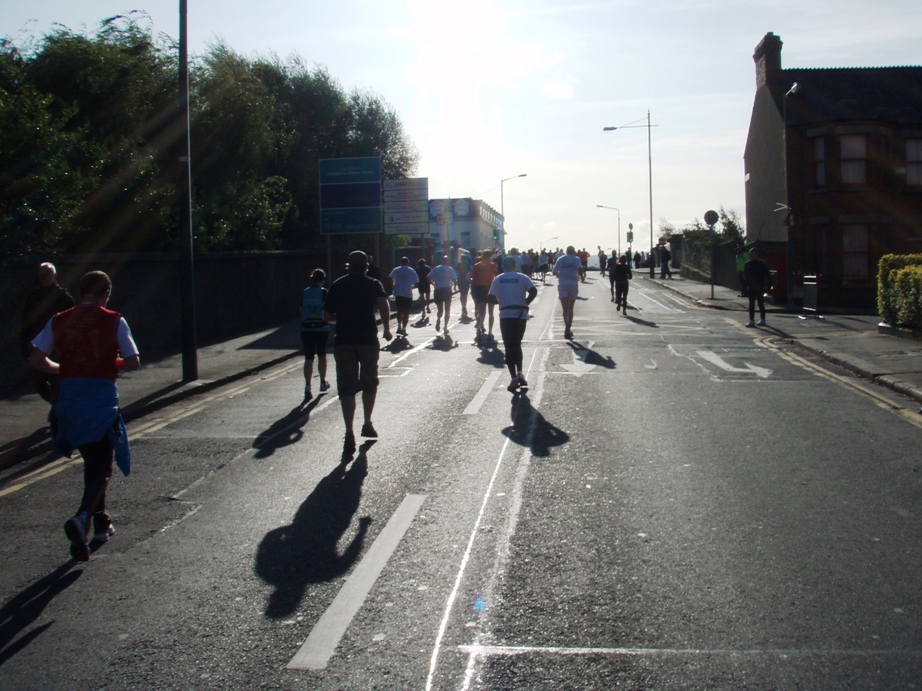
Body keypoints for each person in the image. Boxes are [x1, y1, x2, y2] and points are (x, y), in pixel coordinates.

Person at [28, 270, 140, 562]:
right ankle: (80, 519)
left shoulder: (59, 318)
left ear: (80, 293)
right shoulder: (114, 319)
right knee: (102, 467)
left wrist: (60, 368)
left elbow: (36, 359)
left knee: (93, 461)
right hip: (99, 402)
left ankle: (99, 522)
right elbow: (132, 361)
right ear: (106, 294)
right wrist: (106, 361)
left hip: (69, 402)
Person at [323, 251, 393, 456]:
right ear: (366, 266)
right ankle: (367, 423)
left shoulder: (337, 284)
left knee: (347, 387)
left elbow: (327, 315)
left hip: (343, 341)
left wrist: (342, 318)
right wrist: (387, 328)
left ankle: (349, 432)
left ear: (349, 265)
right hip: (368, 340)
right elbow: (383, 303)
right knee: (370, 382)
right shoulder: (373, 284)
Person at [20, 262, 75, 405]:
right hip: (38, 347)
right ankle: (57, 405)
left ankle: (58, 413)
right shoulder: (33, 297)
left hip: (58, 347)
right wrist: (24, 344)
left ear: (55, 276)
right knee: (38, 381)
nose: (44, 277)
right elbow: (26, 322)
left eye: (48, 274)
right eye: (42, 274)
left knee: (58, 381)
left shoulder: (64, 297)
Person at [489, 256, 538, 393]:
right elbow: (533, 291)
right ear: (515, 266)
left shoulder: (498, 279)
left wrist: (499, 301)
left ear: (503, 267)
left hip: (506, 314)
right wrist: (526, 302)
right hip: (520, 314)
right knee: (517, 344)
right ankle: (521, 372)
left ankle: (513, 378)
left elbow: (491, 296)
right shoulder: (523, 277)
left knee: (508, 346)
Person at [300, 268, 330, 400]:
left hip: (306, 327)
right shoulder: (324, 292)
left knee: (308, 357)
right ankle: (323, 382)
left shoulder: (305, 292)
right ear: (323, 280)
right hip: (321, 327)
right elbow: (328, 309)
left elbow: (301, 309)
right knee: (322, 354)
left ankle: (307, 385)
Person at [553, 245, 582, 340]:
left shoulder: (561, 259)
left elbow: (554, 271)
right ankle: (568, 328)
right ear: (574, 252)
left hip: (563, 284)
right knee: (571, 308)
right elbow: (580, 269)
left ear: (566, 251)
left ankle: (566, 325)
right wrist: (581, 276)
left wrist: (559, 274)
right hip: (573, 283)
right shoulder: (576, 259)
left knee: (565, 308)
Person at [471, 249, 499, 344]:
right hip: (490, 288)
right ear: (490, 256)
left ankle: (479, 327)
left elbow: (473, 278)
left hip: (480, 288)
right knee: (491, 312)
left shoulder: (476, 266)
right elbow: (496, 275)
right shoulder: (493, 265)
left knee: (481, 311)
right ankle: (490, 333)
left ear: (482, 255)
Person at [388, 256, 418, 336]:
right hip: (408, 293)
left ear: (400, 262)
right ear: (408, 262)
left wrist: (393, 285)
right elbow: (416, 282)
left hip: (398, 293)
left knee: (399, 310)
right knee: (407, 312)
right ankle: (404, 328)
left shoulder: (396, 269)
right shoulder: (411, 270)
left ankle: (399, 326)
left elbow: (390, 277)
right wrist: (411, 287)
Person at [744, 249, 773, 327]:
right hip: (751, 287)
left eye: (754, 253)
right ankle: (751, 320)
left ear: (757, 254)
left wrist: (769, 285)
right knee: (751, 304)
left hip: (760, 286)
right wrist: (745, 286)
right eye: (751, 253)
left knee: (760, 303)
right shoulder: (747, 264)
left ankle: (762, 319)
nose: (753, 255)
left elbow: (767, 274)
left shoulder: (761, 263)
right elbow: (746, 277)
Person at [456, 254, 471, 319]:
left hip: (460, 280)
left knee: (462, 294)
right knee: (465, 294)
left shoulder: (458, 264)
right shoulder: (467, 265)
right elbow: (470, 272)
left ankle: (463, 306)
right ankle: (464, 306)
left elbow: (456, 272)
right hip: (466, 280)